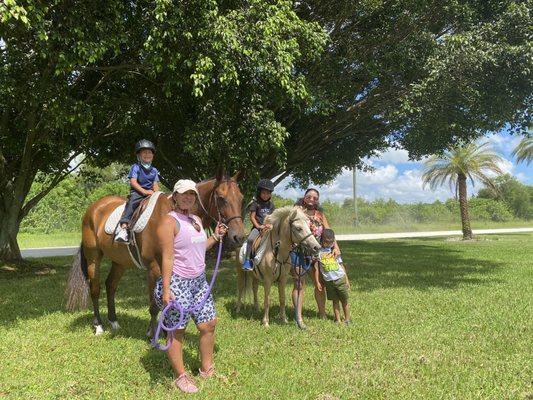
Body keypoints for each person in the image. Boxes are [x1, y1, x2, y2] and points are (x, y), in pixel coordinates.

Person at [154, 179, 227, 393]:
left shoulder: (195, 220)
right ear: (174, 196)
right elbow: (167, 257)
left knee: (208, 324)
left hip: (199, 281)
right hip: (177, 281)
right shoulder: (169, 222)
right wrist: (167, 290)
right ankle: (181, 377)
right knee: (177, 330)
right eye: (183, 193)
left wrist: (215, 236)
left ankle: (207, 369)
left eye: (192, 194)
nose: (188, 197)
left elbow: (199, 247)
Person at [291, 188, 341, 325]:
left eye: (315, 198)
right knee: (299, 284)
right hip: (298, 251)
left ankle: (322, 312)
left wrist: (336, 247)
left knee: (320, 285)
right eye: (309, 197)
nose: (312, 199)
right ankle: (298, 315)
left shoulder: (320, 214)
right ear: (304, 197)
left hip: (317, 253)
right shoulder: (297, 210)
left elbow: (328, 230)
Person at [115, 139, 160, 242]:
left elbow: (155, 184)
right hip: (138, 192)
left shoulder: (154, 170)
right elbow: (133, 182)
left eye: (149, 152)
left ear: (153, 155)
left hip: (150, 193)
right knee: (132, 203)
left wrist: (157, 194)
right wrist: (144, 192)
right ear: (139, 155)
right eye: (144, 152)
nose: (147, 154)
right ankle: (123, 228)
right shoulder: (136, 167)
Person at [314, 229, 351, 325]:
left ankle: (347, 319)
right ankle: (337, 319)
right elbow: (317, 268)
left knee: (344, 300)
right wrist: (317, 281)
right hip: (329, 281)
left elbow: (341, 266)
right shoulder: (319, 253)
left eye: (331, 242)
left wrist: (346, 280)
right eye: (326, 242)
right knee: (335, 301)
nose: (329, 244)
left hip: (340, 279)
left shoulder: (335, 251)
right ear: (322, 240)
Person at [242, 178, 276, 271]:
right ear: (259, 193)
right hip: (257, 228)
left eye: (268, 193)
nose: (266, 195)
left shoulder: (271, 205)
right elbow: (252, 217)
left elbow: (273, 217)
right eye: (264, 193)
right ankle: (248, 260)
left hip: (269, 228)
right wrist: (258, 226)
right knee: (250, 239)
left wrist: (270, 225)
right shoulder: (255, 203)